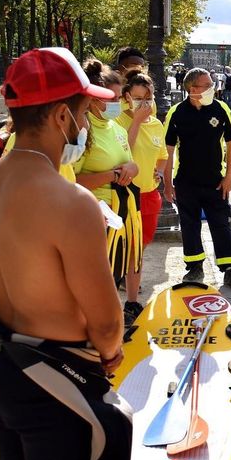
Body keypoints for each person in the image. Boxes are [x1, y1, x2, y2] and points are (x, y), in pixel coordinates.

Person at [0, 47, 131, 460]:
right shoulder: (70, 201)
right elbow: (107, 324)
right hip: (57, 379)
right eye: (84, 111)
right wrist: (111, 353)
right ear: (62, 117)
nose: (87, 123)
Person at [73, 59, 144, 325]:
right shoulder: (83, 129)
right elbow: (72, 179)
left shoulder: (116, 128)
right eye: (111, 98)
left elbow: (131, 160)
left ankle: (119, 314)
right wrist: (111, 175)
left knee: (120, 268)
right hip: (95, 214)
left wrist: (131, 168)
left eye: (118, 98)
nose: (117, 104)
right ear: (93, 99)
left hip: (122, 211)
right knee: (96, 277)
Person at [164, 68, 231, 289]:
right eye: (208, 85)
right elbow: (168, 151)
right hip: (185, 182)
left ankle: (230, 270)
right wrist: (167, 183)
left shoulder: (221, 109)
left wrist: (229, 177)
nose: (213, 88)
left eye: (212, 84)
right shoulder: (176, 113)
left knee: (221, 225)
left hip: (216, 181)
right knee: (189, 226)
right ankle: (194, 267)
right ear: (193, 89)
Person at [116, 70, 167, 320]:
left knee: (142, 246)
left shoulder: (157, 123)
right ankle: (130, 301)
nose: (144, 104)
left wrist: (159, 172)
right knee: (130, 250)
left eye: (148, 98)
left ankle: (128, 288)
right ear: (127, 97)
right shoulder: (119, 121)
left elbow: (162, 154)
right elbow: (123, 149)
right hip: (125, 194)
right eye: (138, 98)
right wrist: (135, 120)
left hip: (149, 193)